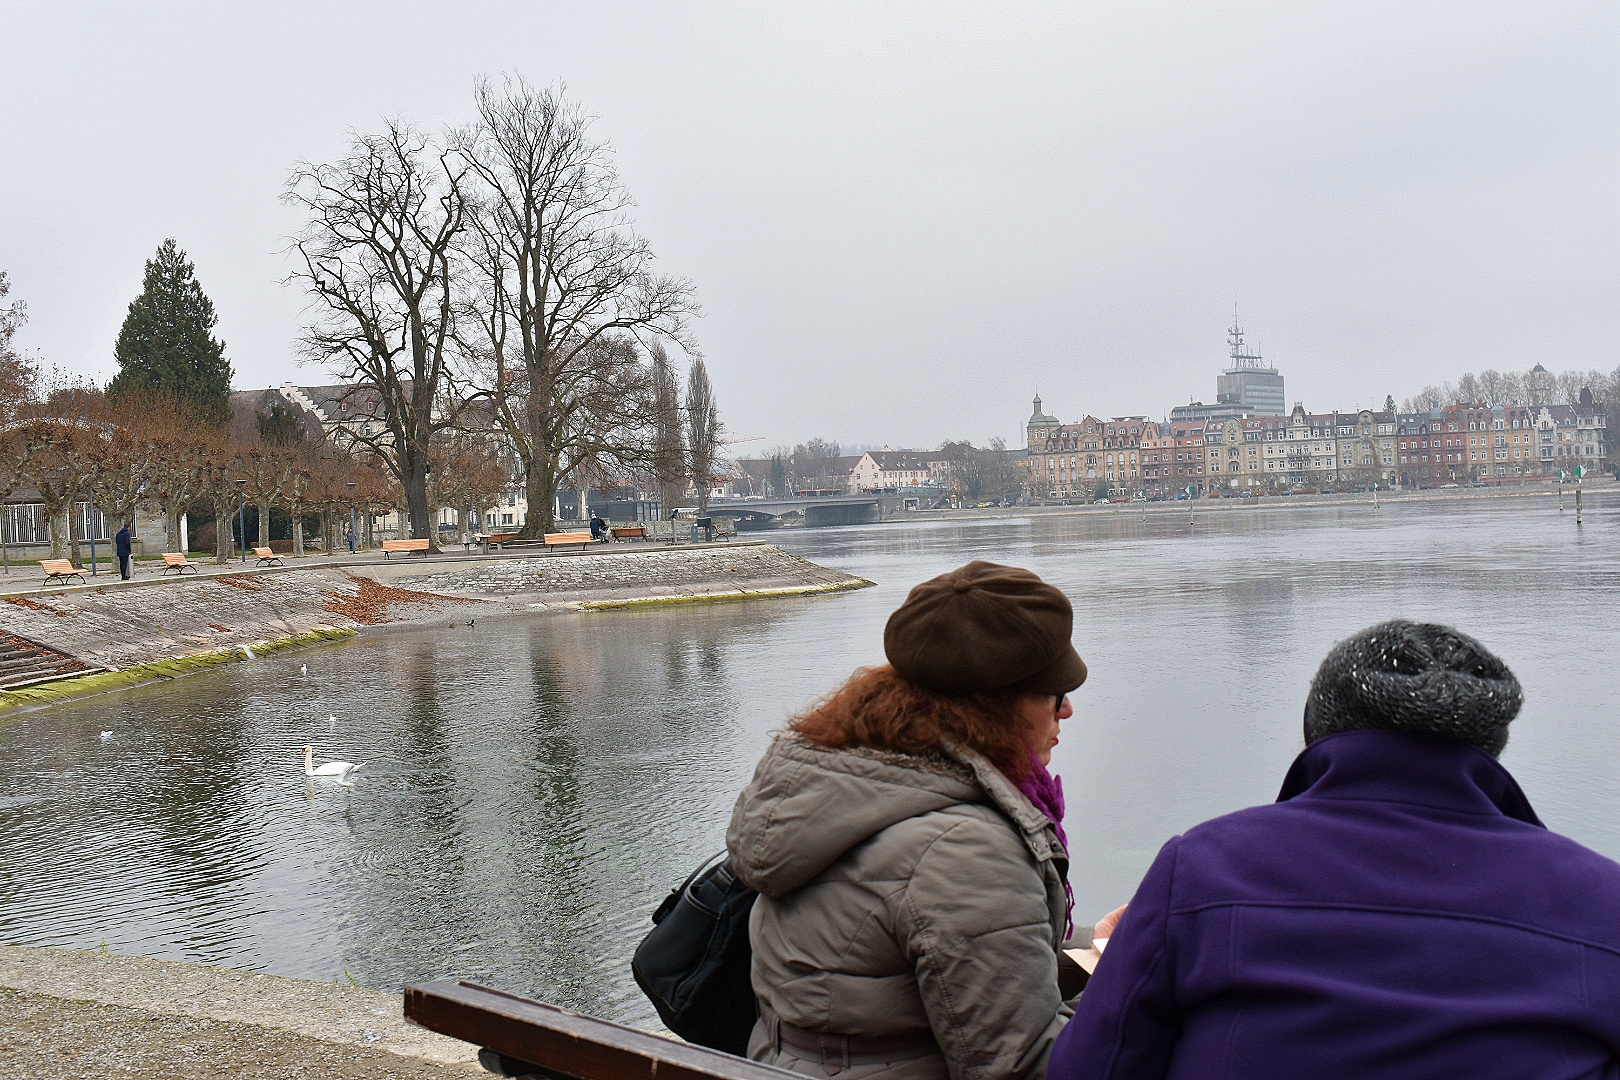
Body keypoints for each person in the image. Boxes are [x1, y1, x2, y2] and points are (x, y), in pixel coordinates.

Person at [1048, 621, 1620, 1079]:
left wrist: (1126, 960)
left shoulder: (1202, 872)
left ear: (1314, 732)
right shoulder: (1600, 902)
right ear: (1492, 747)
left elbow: (1089, 1069)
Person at [727, 560, 1097, 1080]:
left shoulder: (854, 782)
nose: (1067, 712)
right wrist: (1140, 988)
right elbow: (1027, 1066)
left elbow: (916, 979)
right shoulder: (963, 849)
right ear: (996, 705)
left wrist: (1090, 952)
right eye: (1056, 694)